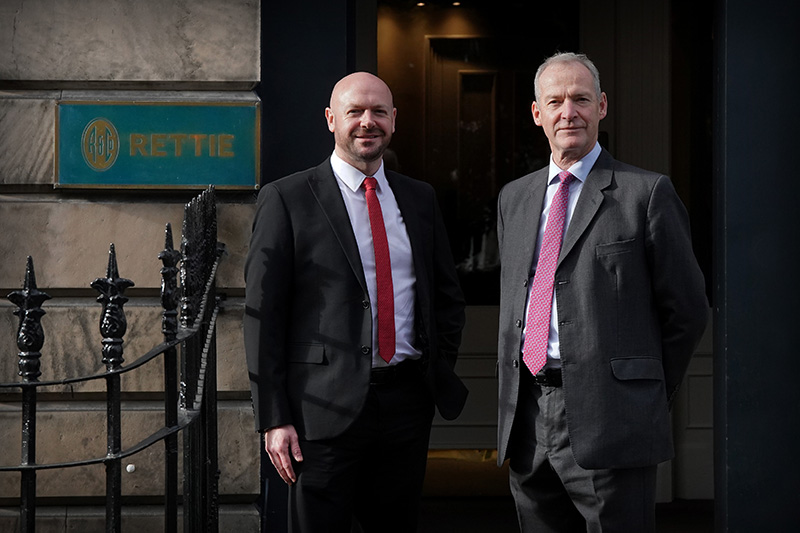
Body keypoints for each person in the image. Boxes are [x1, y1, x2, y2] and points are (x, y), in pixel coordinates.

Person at [244, 72, 468, 532]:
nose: (368, 122)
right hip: (318, 413)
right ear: (331, 119)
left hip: (406, 404)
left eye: (379, 112)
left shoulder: (419, 198)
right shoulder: (286, 198)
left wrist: (434, 366)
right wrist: (274, 418)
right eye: (355, 112)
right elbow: (264, 317)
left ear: (394, 120)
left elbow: (445, 297)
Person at [496, 52, 708, 532]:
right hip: (529, 416)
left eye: (580, 99)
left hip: (613, 418)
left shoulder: (645, 193)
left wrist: (642, 391)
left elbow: (688, 311)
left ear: (602, 106)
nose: (567, 111)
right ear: (537, 114)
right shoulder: (515, 197)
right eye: (555, 101)